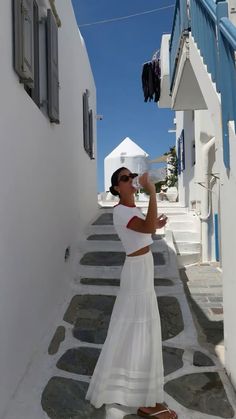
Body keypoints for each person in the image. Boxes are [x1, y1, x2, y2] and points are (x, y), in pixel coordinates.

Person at [85, 167, 177, 419]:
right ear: (117, 188)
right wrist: (153, 192)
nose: (131, 179)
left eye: (131, 175)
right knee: (139, 328)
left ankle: (142, 394)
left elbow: (147, 230)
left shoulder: (132, 209)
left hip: (142, 268)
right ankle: (146, 401)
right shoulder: (121, 211)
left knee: (140, 328)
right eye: (125, 178)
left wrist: (153, 223)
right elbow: (146, 227)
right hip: (137, 272)